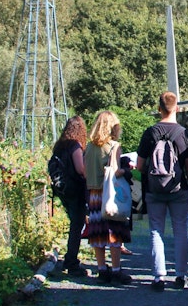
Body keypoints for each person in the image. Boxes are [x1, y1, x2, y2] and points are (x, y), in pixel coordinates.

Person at [136, 91, 188, 291]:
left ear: (159, 109)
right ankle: (181, 276)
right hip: (178, 189)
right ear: (177, 108)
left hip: (154, 189)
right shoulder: (185, 135)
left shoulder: (149, 133)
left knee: (156, 230)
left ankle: (158, 277)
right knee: (180, 229)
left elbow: (139, 166)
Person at [84, 110, 133, 285]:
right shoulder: (114, 146)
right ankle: (116, 270)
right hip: (109, 193)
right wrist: (128, 170)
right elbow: (115, 171)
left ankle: (102, 270)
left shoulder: (89, 147)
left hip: (93, 193)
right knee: (113, 232)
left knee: (97, 233)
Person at [52, 116, 89, 277]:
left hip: (63, 190)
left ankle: (70, 258)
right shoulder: (75, 146)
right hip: (75, 190)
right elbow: (81, 169)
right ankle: (71, 262)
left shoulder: (59, 146)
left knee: (74, 223)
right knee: (77, 225)